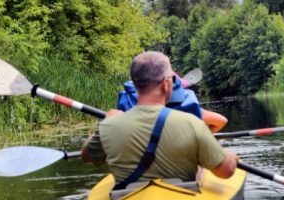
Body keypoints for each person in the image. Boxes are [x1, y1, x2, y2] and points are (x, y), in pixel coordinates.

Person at [81, 51, 238, 186]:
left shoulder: (109, 126)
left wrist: (106, 122)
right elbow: (225, 172)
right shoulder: (192, 123)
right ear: (165, 84)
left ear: (135, 85)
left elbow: (87, 157)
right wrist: (231, 157)